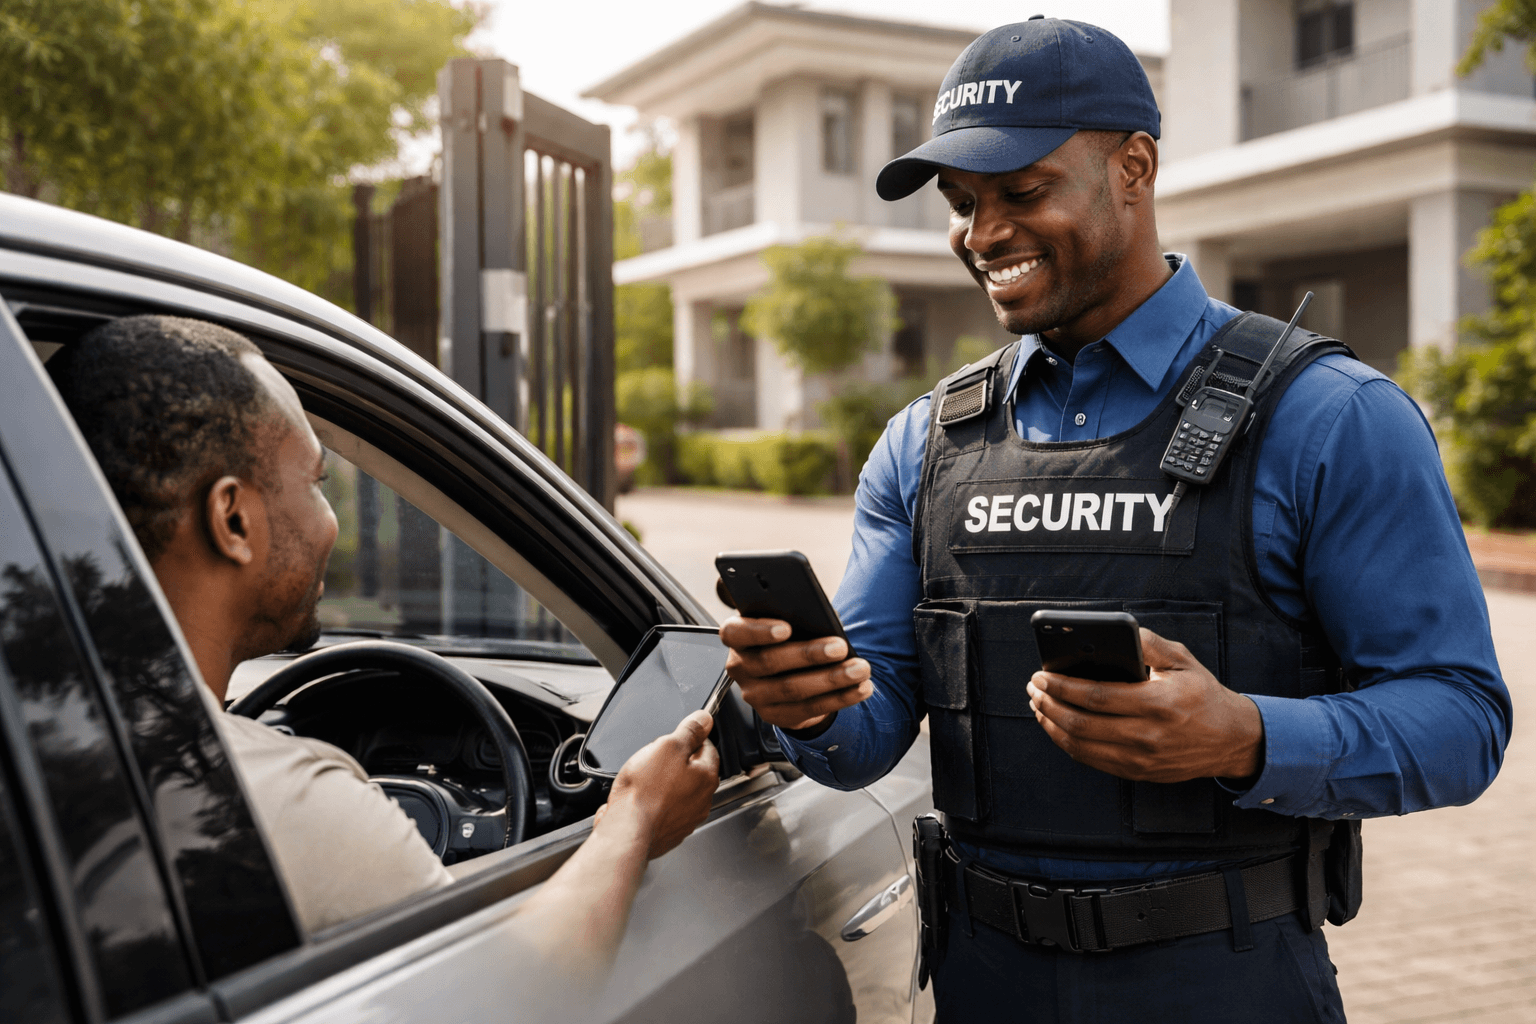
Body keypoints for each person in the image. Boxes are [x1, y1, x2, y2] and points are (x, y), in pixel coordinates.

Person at [721, 16, 1512, 1022]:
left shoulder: (1332, 420)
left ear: (1132, 168)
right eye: (963, 204)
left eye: (1023, 192)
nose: (982, 233)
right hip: (985, 985)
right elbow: (865, 735)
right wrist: (805, 700)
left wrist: (1247, 736)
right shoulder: (924, 446)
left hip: (1226, 983)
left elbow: (1462, 719)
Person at [49, 314, 720, 967]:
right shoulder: (278, 801)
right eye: (315, 482)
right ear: (232, 518)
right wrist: (633, 819)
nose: (331, 521)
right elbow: (514, 990)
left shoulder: (48, 741)